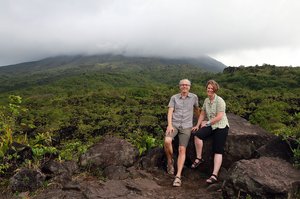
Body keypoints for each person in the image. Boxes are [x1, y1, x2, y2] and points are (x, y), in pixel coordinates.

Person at [191, 80, 229, 184]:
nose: (210, 90)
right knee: (197, 135)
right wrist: (197, 125)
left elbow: (220, 116)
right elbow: (202, 113)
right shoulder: (207, 101)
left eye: (212, 88)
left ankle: (214, 175)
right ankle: (199, 158)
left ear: (215, 89)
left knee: (217, 149)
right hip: (211, 125)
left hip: (221, 126)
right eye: (208, 88)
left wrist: (207, 123)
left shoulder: (220, 101)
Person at [164, 79, 199, 187]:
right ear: (180, 87)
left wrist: (199, 123)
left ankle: (178, 176)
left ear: (190, 86)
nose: (184, 86)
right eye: (182, 85)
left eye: (186, 85)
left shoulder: (194, 97)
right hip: (174, 124)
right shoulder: (174, 98)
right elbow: (170, 112)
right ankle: (170, 161)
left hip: (186, 126)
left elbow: (197, 109)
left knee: (182, 149)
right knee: (167, 141)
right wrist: (169, 125)